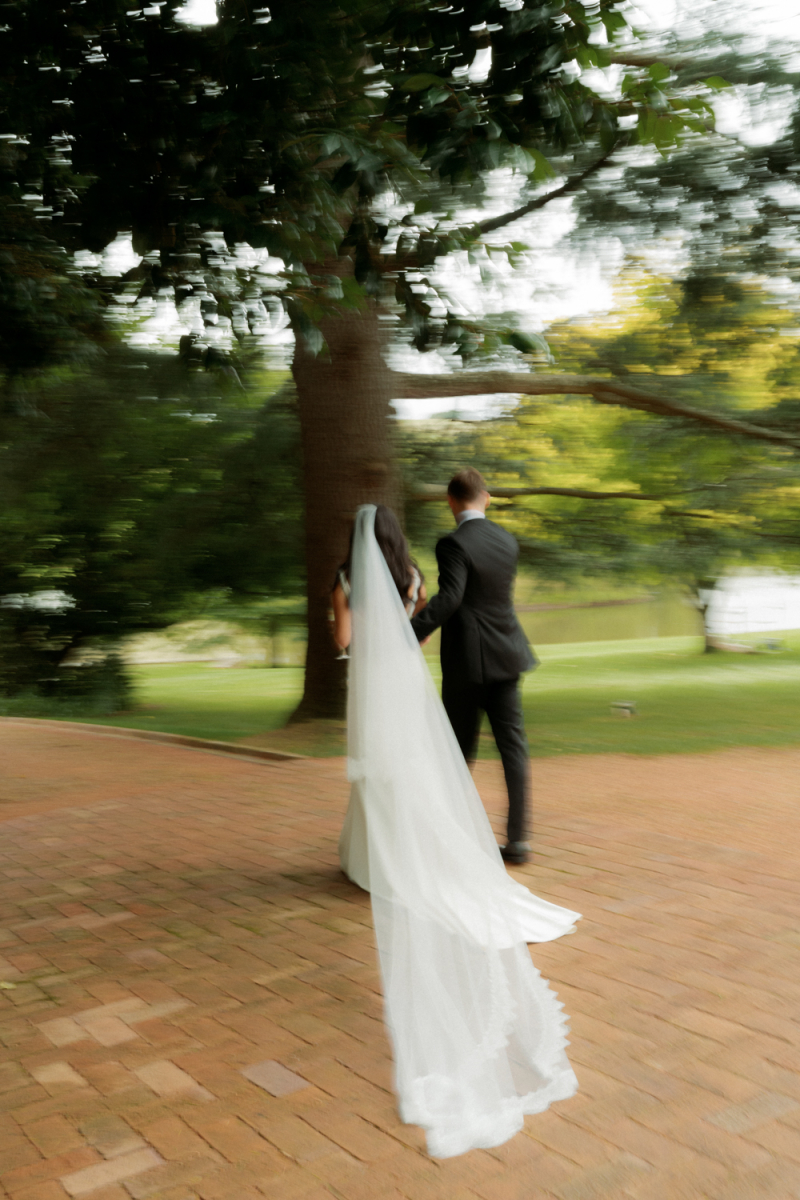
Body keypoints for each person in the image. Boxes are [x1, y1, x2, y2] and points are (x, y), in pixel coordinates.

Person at [332, 503, 579, 1159]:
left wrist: (357, 637)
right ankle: (495, 840)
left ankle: (377, 856)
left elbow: (343, 641)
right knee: (429, 765)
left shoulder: (353, 577)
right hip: (421, 674)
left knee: (377, 771)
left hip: (385, 678)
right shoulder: (419, 569)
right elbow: (426, 623)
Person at [410, 468, 535, 865]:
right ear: (487, 498)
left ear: (450, 501)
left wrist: (407, 632)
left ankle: (451, 839)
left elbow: (451, 599)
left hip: (468, 663)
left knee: (458, 754)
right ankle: (518, 842)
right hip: (509, 655)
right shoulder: (506, 540)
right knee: (513, 749)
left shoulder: (453, 543)